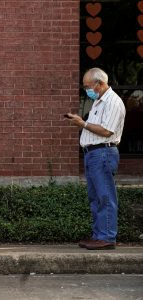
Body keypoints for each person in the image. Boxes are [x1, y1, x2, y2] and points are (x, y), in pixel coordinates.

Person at [65, 68, 126, 250]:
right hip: (93, 154)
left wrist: (82, 123)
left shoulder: (113, 102)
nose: (86, 90)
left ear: (99, 83)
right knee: (96, 197)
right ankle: (98, 235)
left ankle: (106, 237)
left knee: (105, 196)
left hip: (103, 153)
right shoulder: (99, 102)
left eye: (88, 86)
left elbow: (107, 131)